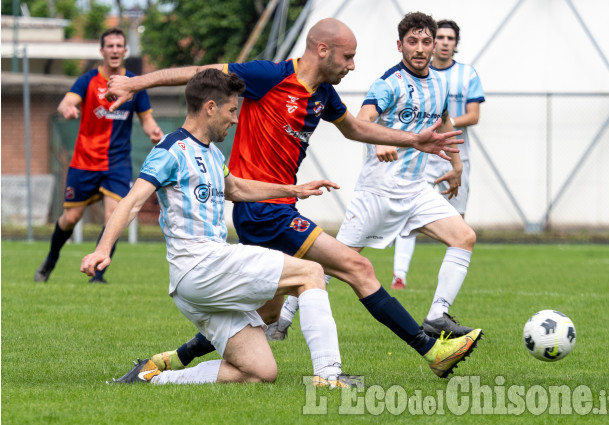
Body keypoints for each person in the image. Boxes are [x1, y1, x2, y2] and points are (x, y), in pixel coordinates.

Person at [105, 18, 481, 379]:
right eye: (347, 57)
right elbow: (201, 72)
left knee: (268, 311)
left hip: (277, 206)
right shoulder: (268, 76)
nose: (353, 65)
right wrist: (136, 83)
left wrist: (414, 140)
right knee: (357, 268)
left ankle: (167, 361)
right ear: (322, 50)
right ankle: (430, 350)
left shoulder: (323, 95)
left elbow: (354, 128)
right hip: (262, 209)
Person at [82, 68, 359, 387]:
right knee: (311, 273)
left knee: (258, 372)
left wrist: (294, 190)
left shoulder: (212, 153)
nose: (235, 119)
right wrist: (102, 249)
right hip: (202, 265)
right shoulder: (171, 150)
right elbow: (130, 201)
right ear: (210, 107)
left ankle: (150, 378)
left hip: (198, 280)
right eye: (231, 110)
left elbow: (236, 189)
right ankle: (329, 375)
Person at [275, 12, 479, 340]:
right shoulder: (390, 83)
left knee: (464, 237)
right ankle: (281, 318)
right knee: (333, 263)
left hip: (416, 190)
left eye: (426, 41)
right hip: (378, 192)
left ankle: (438, 315)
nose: (420, 48)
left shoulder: (439, 85)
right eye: (412, 41)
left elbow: (444, 124)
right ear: (400, 45)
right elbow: (362, 119)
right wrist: (379, 140)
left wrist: (456, 166)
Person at [34, 27, 164, 284]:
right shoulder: (88, 81)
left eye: (119, 46)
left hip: (117, 163)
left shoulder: (135, 84)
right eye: (110, 46)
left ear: (125, 51)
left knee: (114, 214)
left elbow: (147, 120)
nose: (115, 50)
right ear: (102, 51)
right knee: (71, 218)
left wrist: (154, 132)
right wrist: (68, 109)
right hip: (85, 161)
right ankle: (50, 260)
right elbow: (66, 102)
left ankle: (98, 274)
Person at [390, 19, 485, 290]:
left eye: (449, 38)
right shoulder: (417, 75)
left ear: (455, 44)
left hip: (455, 153)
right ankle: (400, 274)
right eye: (440, 37)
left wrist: (443, 124)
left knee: (459, 220)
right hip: (421, 155)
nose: (444, 42)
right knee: (406, 212)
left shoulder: (467, 75)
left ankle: (450, 280)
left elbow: (474, 115)